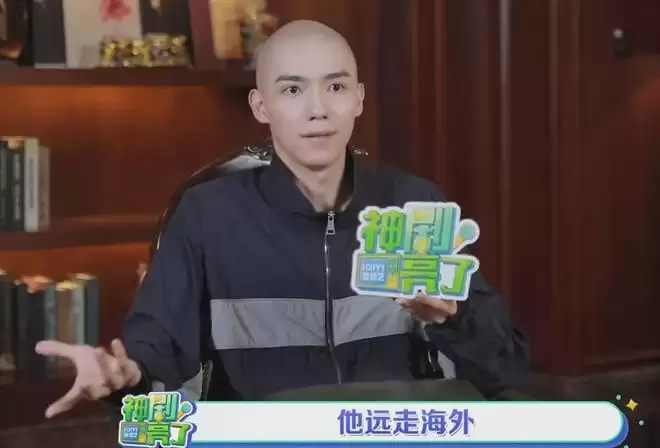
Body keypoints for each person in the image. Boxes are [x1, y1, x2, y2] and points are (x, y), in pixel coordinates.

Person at [35, 19, 530, 419]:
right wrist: (122, 378)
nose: (318, 109)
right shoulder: (208, 216)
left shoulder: (413, 206)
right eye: (292, 90)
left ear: (359, 98)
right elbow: (156, 355)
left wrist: (454, 320)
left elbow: (504, 368)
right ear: (261, 106)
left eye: (336, 86)